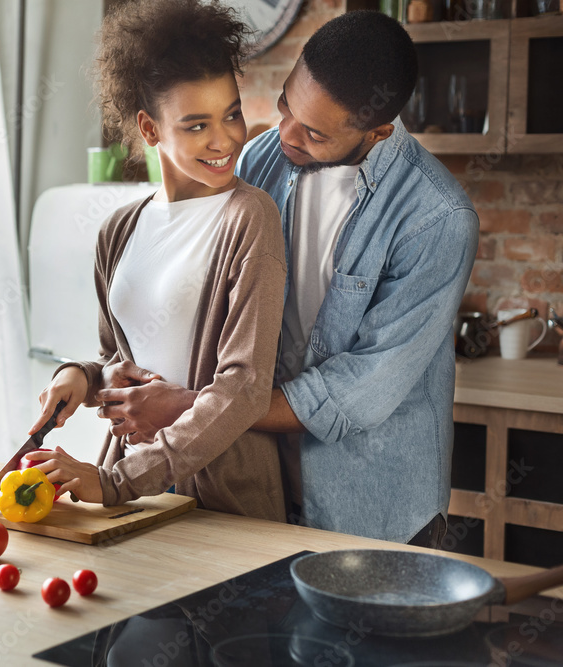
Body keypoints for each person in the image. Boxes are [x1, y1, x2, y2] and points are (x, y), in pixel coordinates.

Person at [87, 11, 480, 548]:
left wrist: (188, 406)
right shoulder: (263, 158)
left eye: (314, 132)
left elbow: (354, 395)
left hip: (370, 506)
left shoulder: (436, 218)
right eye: (286, 106)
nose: (285, 135)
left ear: (377, 130)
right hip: (258, 485)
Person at [26, 0, 288, 521]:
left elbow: (245, 389)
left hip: (224, 500)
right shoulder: (118, 229)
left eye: (231, 114)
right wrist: (82, 377)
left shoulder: (251, 217)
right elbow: (115, 359)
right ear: (149, 130)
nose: (225, 139)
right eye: (196, 126)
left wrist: (117, 482)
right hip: (135, 491)